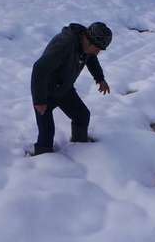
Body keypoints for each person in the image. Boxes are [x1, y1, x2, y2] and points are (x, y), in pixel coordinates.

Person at [30, 22, 112, 155]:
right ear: (89, 40)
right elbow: (39, 69)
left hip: (64, 89)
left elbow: (91, 59)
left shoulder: (86, 46)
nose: (98, 52)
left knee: (82, 115)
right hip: (46, 92)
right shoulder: (64, 45)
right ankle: (42, 165)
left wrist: (100, 78)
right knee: (47, 132)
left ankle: (80, 148)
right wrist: (39, 100)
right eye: (98, 48)